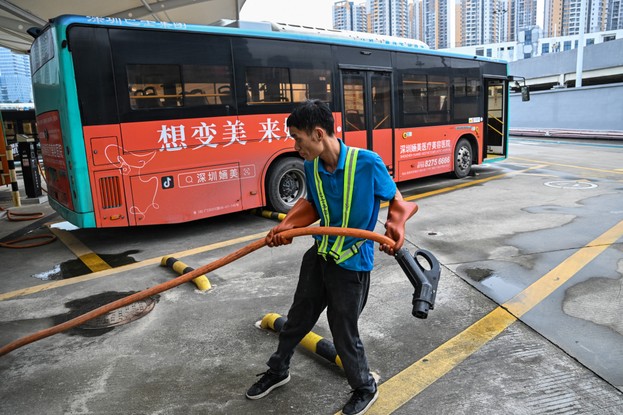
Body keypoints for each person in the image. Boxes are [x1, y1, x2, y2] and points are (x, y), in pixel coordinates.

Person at [246, 100, 417, 415]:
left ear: (318, 133)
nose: (296, 146)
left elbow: (396, 200)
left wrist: (396, 224)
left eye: (298, 138)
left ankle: (365, 387)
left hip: (352, 265)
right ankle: (278, 369)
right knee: (297, 319)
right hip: (320, 256)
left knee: (343, 330)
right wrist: (286, 227)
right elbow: (311, 204)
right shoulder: (311, 166)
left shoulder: (367, 163)